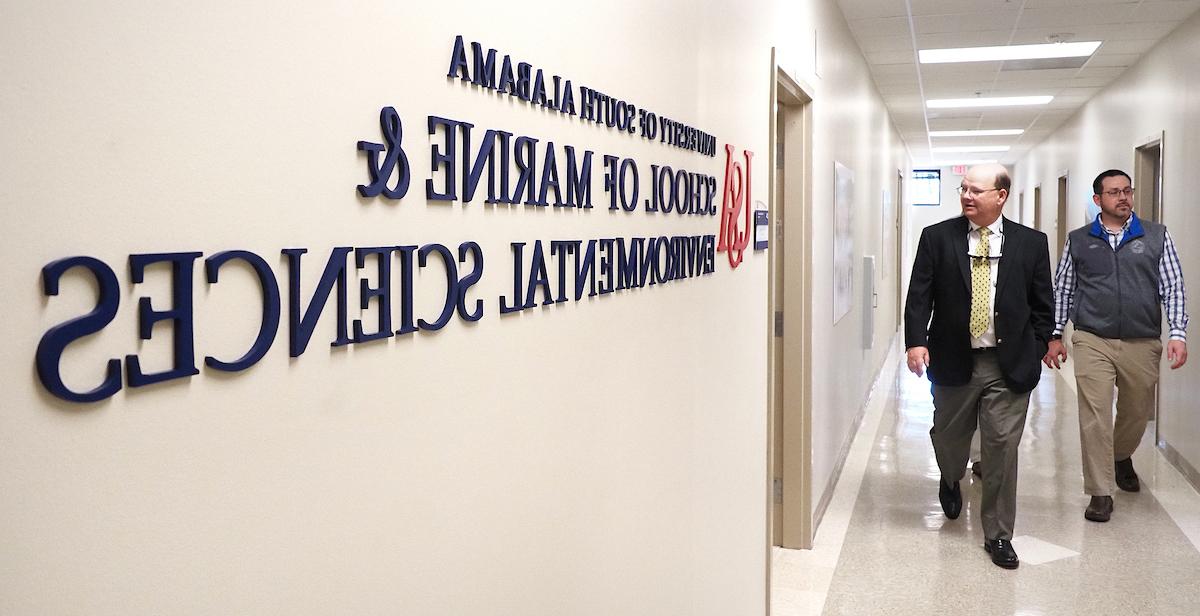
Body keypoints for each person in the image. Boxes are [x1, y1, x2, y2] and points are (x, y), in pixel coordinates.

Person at [904, 163, 1054, 569]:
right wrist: (916, 341)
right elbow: (920, 295)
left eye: (976, 190)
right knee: (950, 440)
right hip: (954, 358)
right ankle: (951, 475)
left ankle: (999, 534)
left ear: (1000, 196)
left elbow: (1043, 304)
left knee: (1002, 448)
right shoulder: (937, 238)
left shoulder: (1031, 243)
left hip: (1008, 365)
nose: (967, 196)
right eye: (963, 189)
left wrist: (1036, 344)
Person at [1042, 169, 1188, 523]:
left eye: (1127, 191)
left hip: (1142, 339)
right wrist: (1056, 335)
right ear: (1098, 201)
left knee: (1137, 412)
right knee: (1094, 415)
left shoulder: (1156, 236)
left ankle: (1121, 455)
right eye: (1113, 193)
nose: (1122, 198)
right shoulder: (1079, 240)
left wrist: (1178, 333)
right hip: (1093, 338)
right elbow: (1064, 288)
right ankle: (1100, 491)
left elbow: (1173, 286)